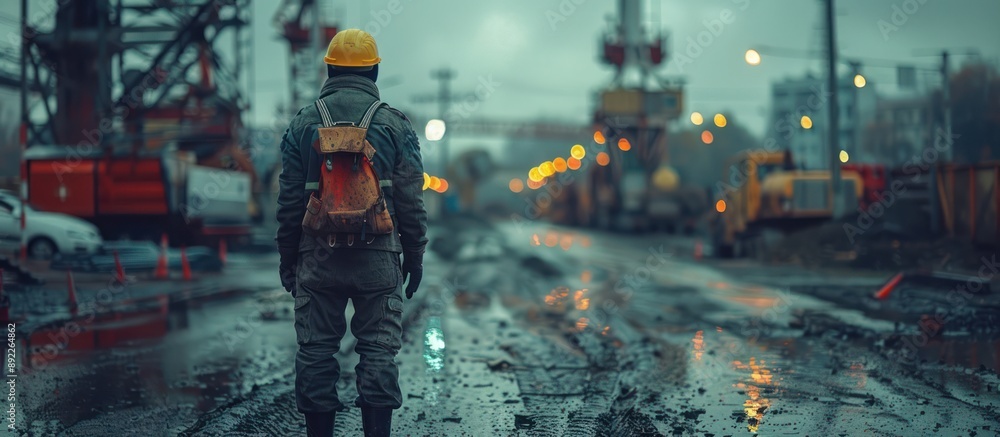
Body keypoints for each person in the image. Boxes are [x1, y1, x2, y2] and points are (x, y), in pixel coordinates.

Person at [274, 28, 428, 437]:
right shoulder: (395, 124)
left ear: (329, 70)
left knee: (316, 352)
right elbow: (411, 203)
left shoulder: (303, 123)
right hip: (378, 257)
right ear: (374, 71)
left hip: (317, 257)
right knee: (378, 351)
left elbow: (288, 203)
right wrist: (414, 257)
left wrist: (288, 259)